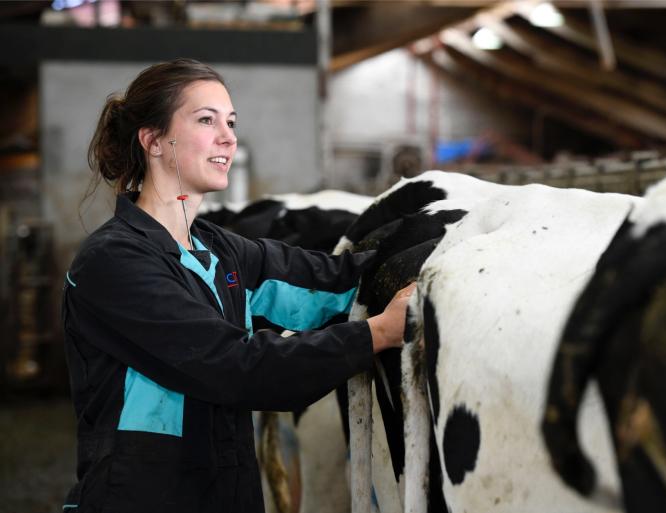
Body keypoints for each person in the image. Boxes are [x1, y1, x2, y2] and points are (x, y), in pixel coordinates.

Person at [61, 58, 413, 513]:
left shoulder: (220, 251)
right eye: (206, 120)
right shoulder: (112, 263)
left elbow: (334, 282)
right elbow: (236, 367)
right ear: (152, 140)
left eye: (230, 122)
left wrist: (425, 257)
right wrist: (379, 333)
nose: (228, 137)